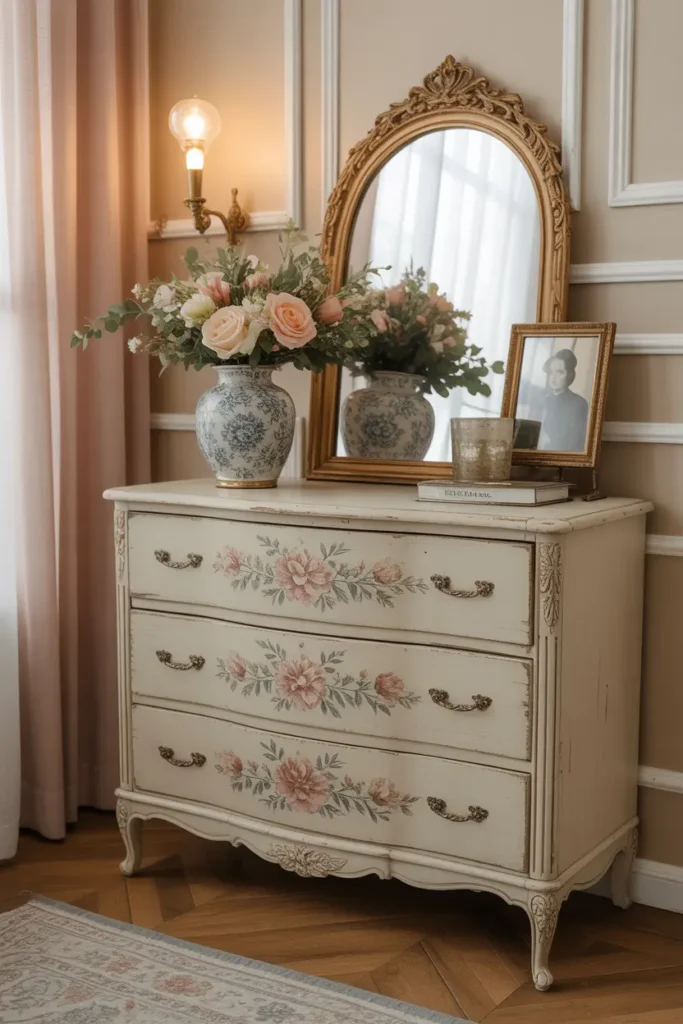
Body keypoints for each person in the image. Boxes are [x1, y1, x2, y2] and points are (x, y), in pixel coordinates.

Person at [539, 348, 589, 452]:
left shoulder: (578, 404)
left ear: (570, 375)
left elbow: (577, 442)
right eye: (551, 372)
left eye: (560, 372)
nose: (553, 378)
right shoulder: (544, 401)